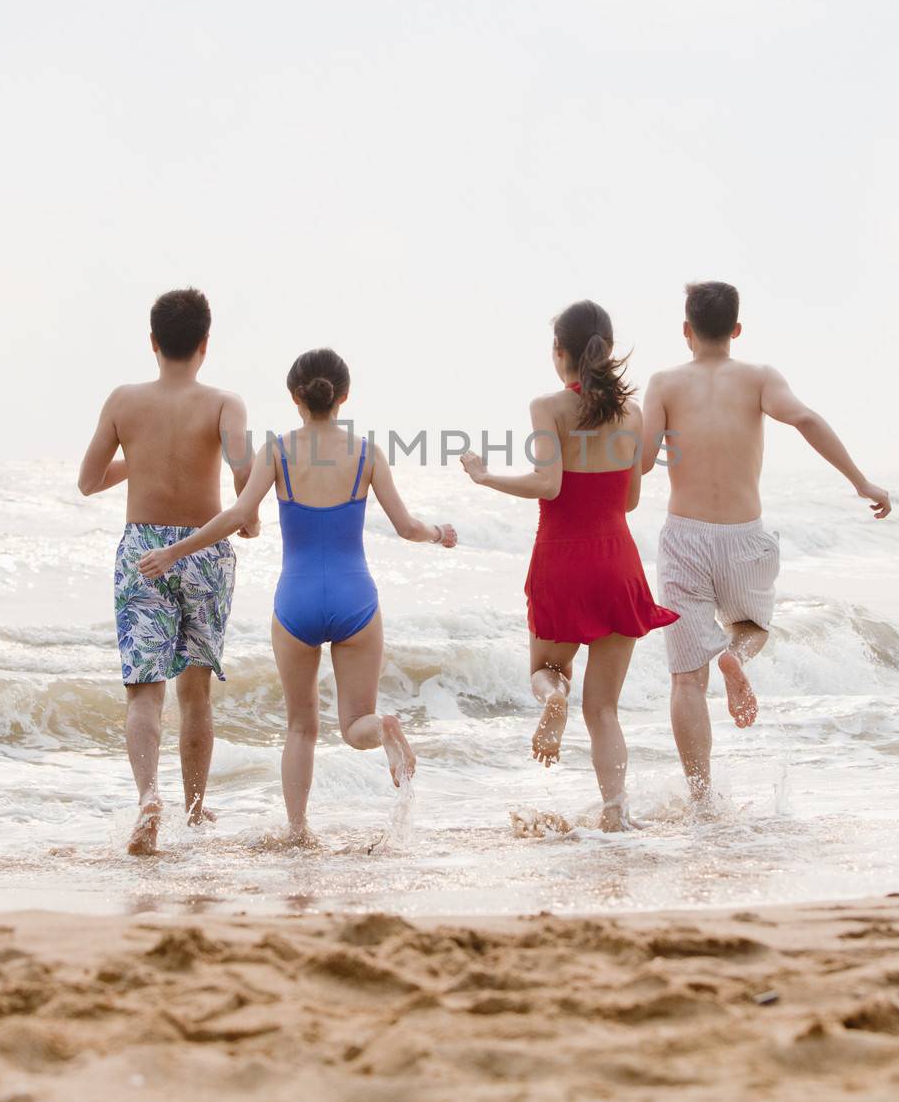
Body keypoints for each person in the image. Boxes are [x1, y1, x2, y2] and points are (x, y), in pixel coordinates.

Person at [137, 347, 457, 844]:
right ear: (344, 397)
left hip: (296, 603)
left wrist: (175, 551)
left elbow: (237, 516)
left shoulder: (278, 451)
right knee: (355, 726)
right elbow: (407, 526)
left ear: (295, 398)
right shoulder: (368, 453)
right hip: (356, 598)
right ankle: (385, 730)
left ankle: (297, 831)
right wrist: (439, 533)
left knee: (300, 729)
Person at [642, 280, 892, 802]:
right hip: (743, 536)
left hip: (684, 538)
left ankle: (702, 799)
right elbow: (803, 418)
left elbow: (641, 463)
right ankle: (736, 656)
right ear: (736, 330)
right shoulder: (759, 377)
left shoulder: (664, 383)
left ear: (686, 330)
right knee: (752, 628)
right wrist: (860, 482)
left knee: (686, 681)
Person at [460, 301, 677, 831]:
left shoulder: (549, 407)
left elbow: (549, 484)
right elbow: (628, 502)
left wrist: (485, 478)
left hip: (562, 559)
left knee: (546, 670)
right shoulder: (633, 414)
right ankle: (616, 814)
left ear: (560, 353)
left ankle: (553, 699)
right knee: (603, 710)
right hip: (617, 562)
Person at [77, 287, 254, 855]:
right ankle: (196, 810)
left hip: (142, 552)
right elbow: (244, 476)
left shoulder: (123, 400)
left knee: (143, 694)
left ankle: (148, 796)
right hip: (204, 549)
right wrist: (246, 522)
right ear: (206, 343)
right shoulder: (225, 403)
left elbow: (89, 479)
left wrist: (144, 455)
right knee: (195, 690)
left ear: (152, 343)